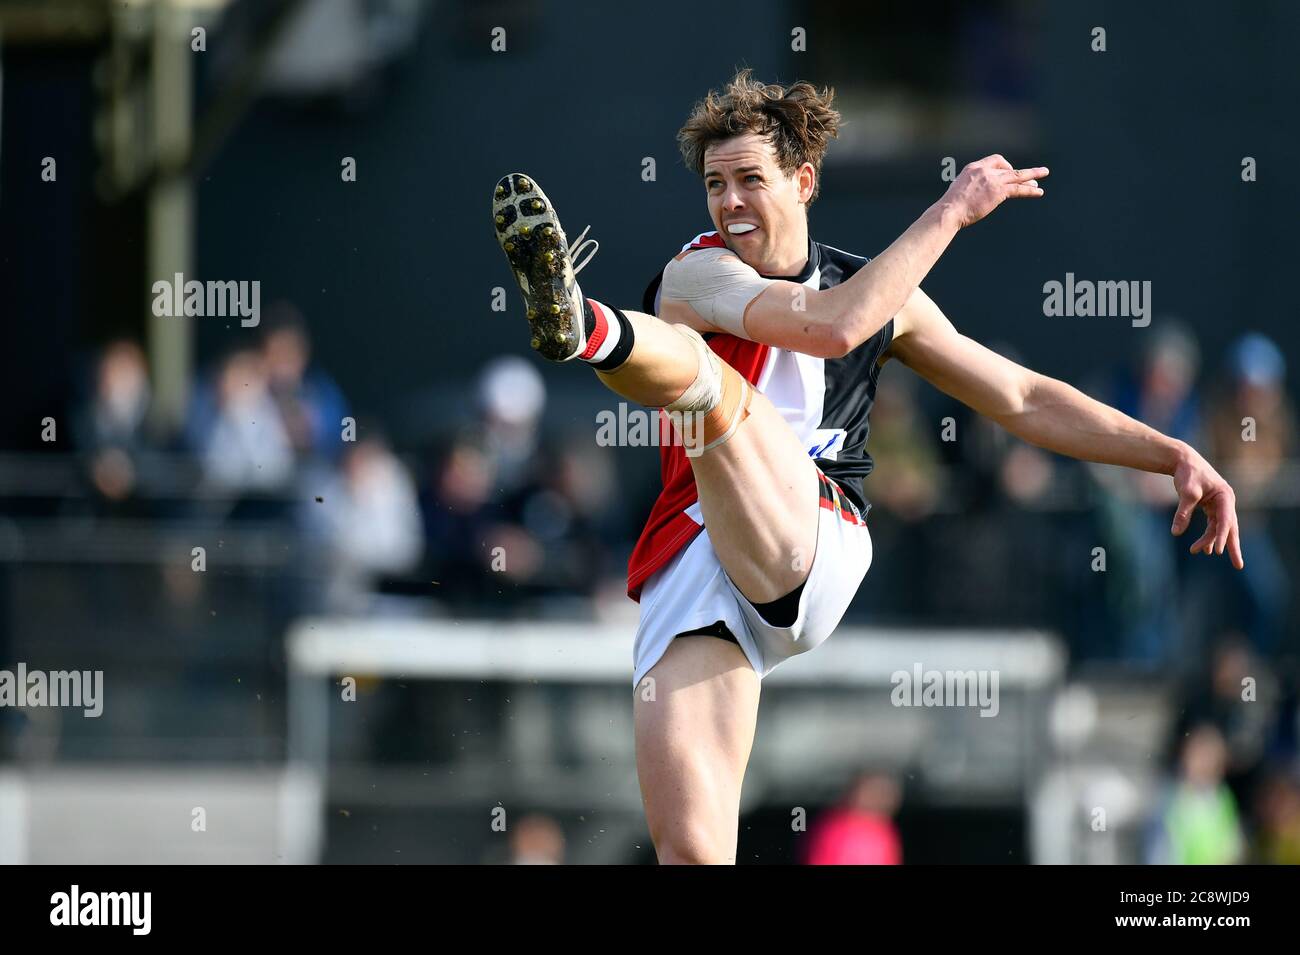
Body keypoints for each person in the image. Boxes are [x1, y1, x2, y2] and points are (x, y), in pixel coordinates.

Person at [491, 70, 1244, 864]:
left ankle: (586, 327)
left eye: (751, 179)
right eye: (715, 184)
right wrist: (946, 212)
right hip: (698, 558)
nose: (730, 201)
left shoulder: (871, 291)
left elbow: (1017, 395)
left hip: (814, 539)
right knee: (690, 850)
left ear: (805, 182)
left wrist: (1171, 451)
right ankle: (582, 325)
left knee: (715, 392)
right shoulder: (699, 271)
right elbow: (829, 326)